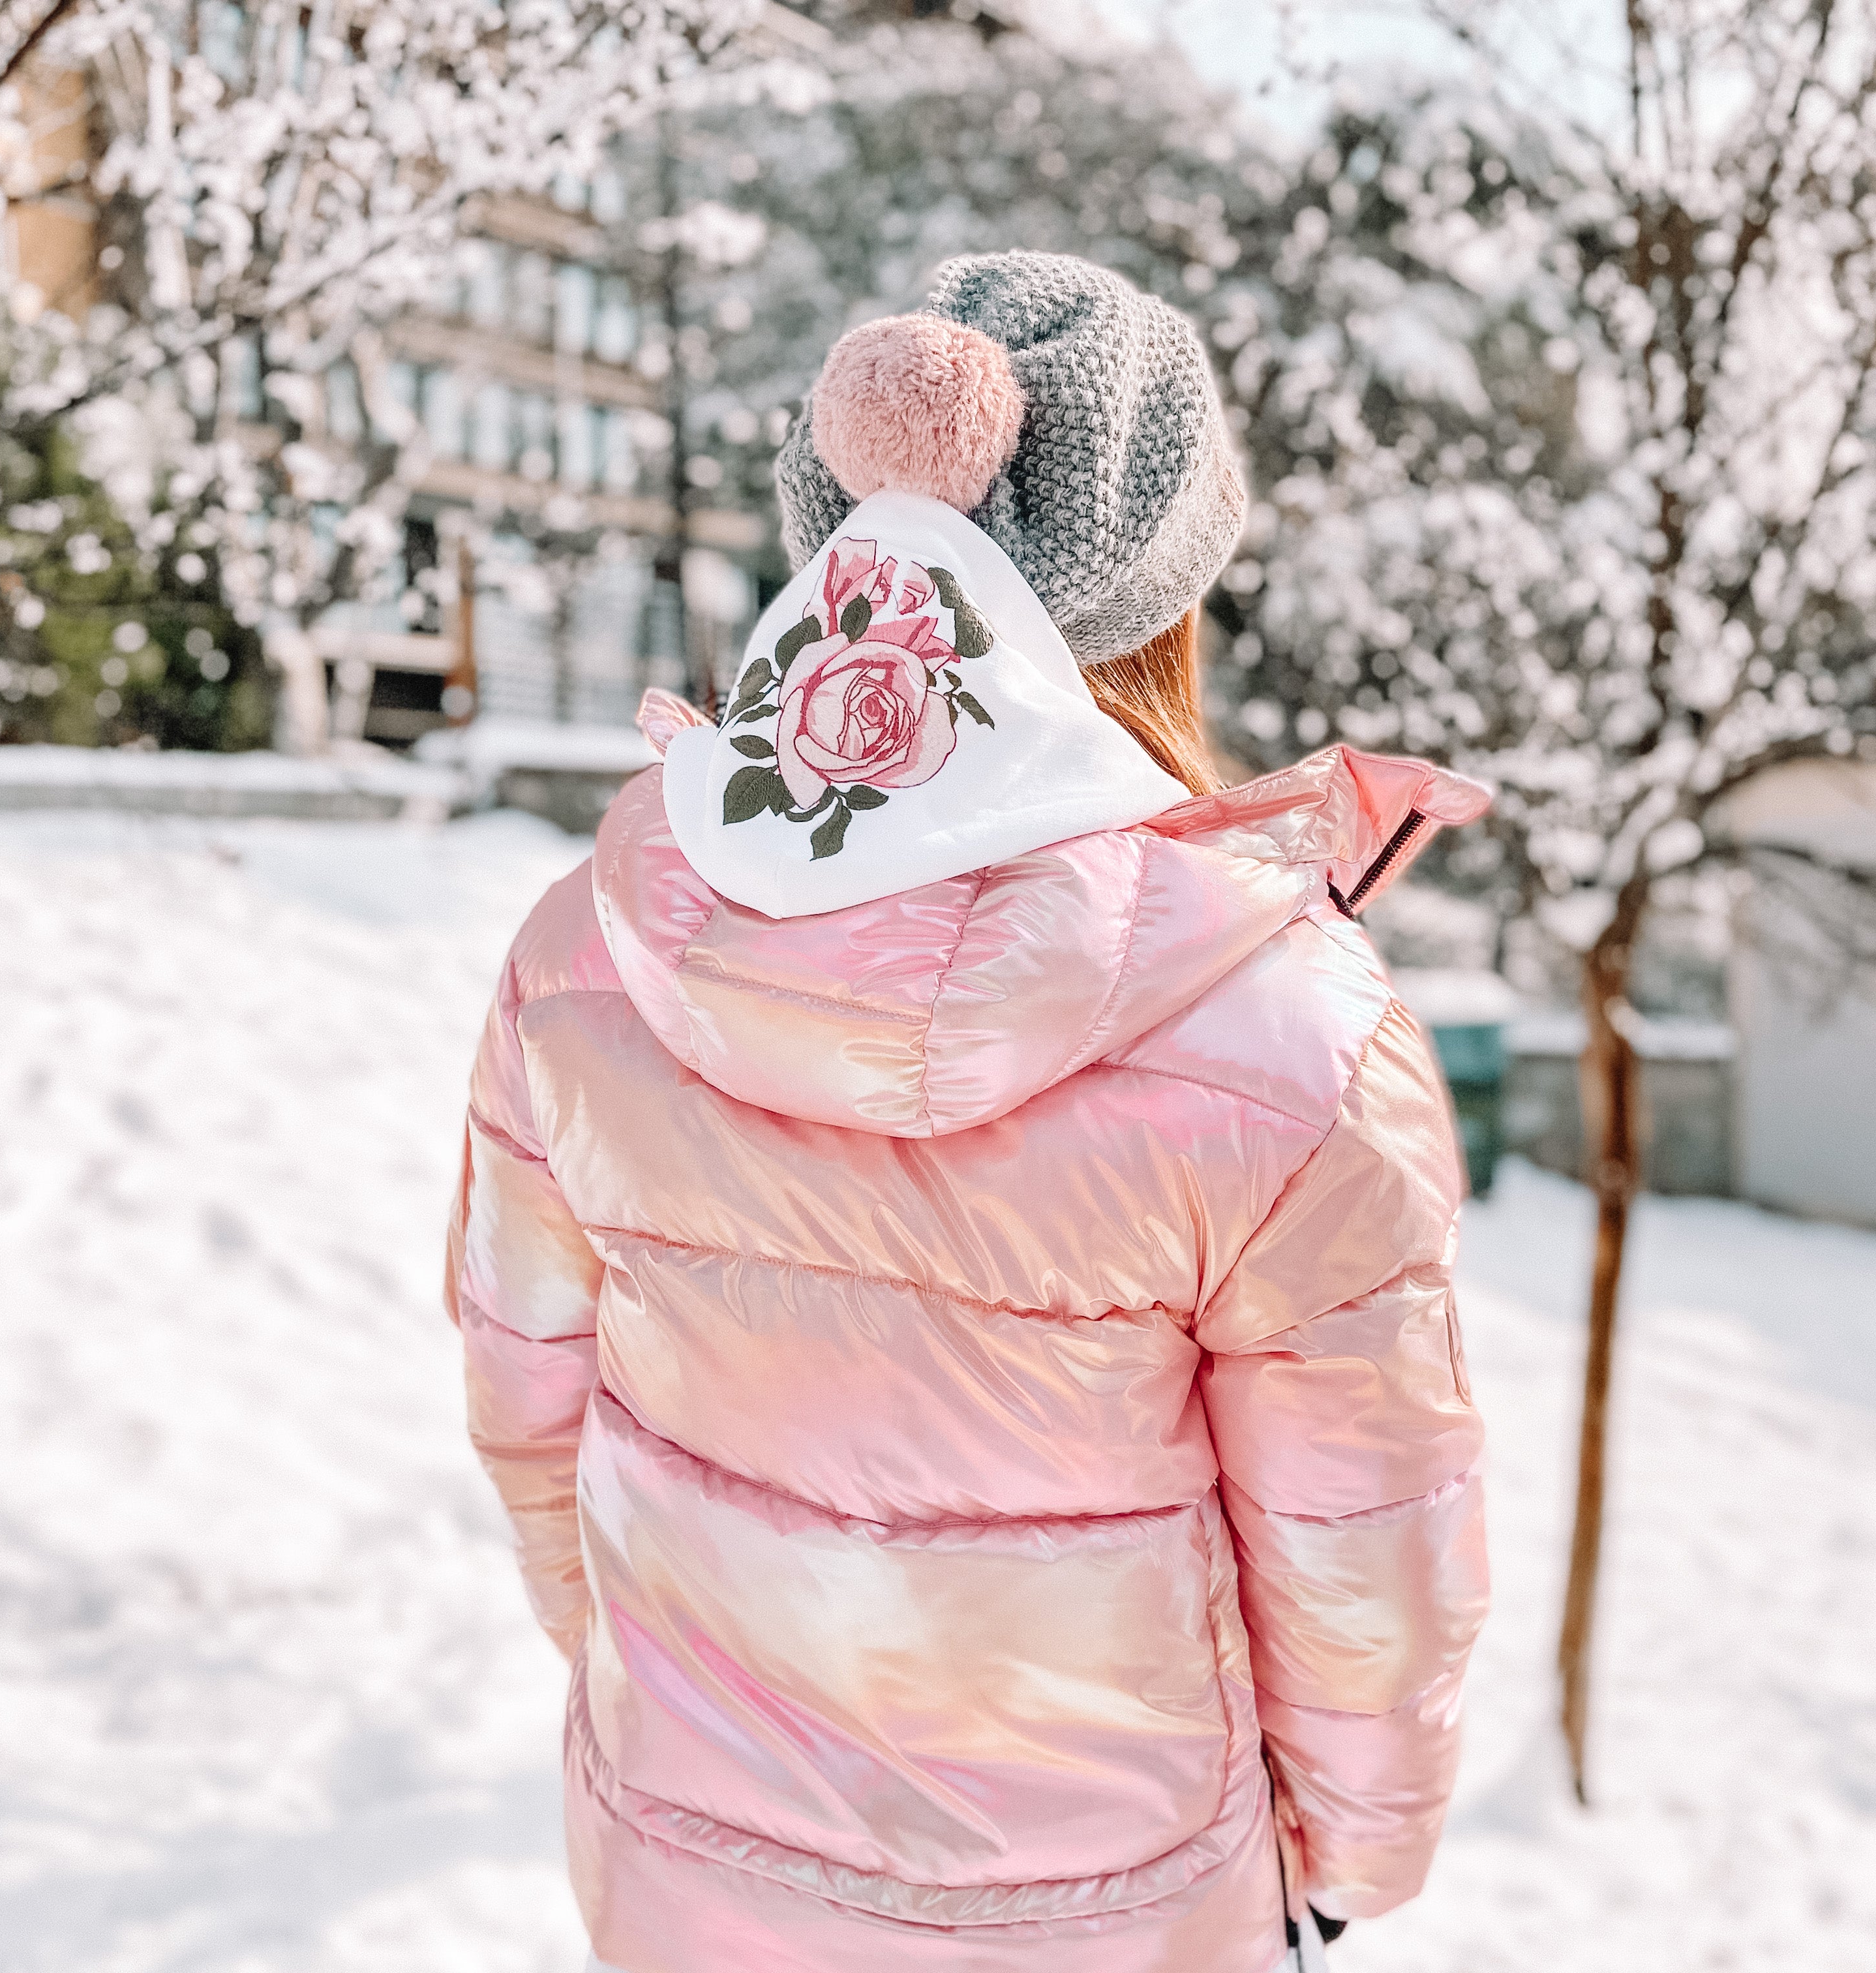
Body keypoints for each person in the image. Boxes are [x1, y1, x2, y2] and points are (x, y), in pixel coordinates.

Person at [447, 252, 1490, 1973]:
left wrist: (650, 1711)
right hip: (1118, 1913)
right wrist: (1351, 1865)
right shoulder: (1289, 1033)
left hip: (686, 1869)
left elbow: (528, 1404)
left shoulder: (585, 953)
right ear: (1166, 592)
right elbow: (1362, 1546)